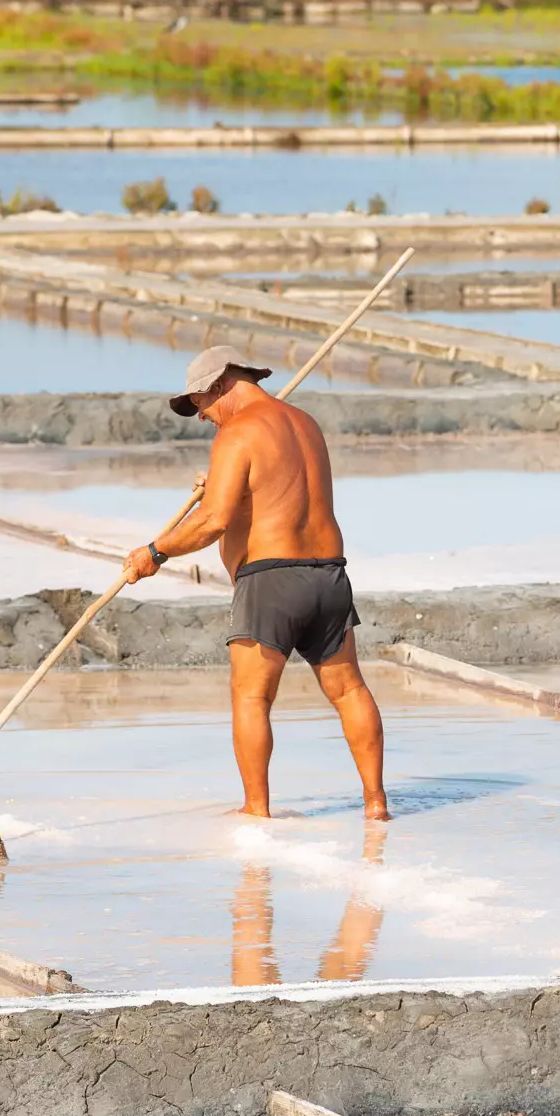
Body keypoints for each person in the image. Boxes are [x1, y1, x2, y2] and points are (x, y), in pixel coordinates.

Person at [123, 346, 390, 821]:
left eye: (202, 405)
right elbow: (281, 493)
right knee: (350, 691)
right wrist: (227, 479)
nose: (203, 417)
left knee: (251, 696)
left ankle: (256, 809)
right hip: (329, 575)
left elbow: (213, 521)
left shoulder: (237, 433)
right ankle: (375, 804)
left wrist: (156, 552)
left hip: (271, 579)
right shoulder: (306, 424)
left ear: (221, 385)